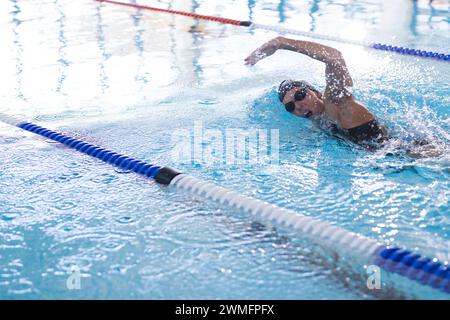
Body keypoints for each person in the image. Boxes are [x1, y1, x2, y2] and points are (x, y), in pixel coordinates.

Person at [244, 36, 389, 149]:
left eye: (300, 95)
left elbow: (335, 58)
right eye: (290, 106)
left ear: (317, 93)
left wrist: (282, 42)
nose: (298, 106)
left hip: (400, 154)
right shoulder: (319, 121)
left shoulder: (334, 103)